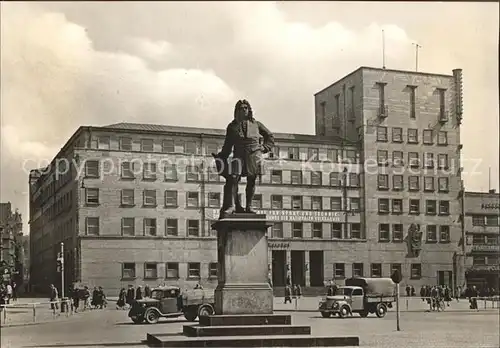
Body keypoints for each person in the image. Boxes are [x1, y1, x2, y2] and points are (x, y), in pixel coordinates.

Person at [213, 99, 275, 218]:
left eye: (246, 108)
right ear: (237, 111)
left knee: (251, 180)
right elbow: (228, 144)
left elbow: (270, 136)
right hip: (239, 155)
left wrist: (264, 148)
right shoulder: (232, 126)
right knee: (234, 179)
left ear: (249, 110)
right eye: (241, 108)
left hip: (254, 155)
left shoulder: (256, 124)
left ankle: (249, 206)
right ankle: (232, 206)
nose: (244, 110)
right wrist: (221, 156)